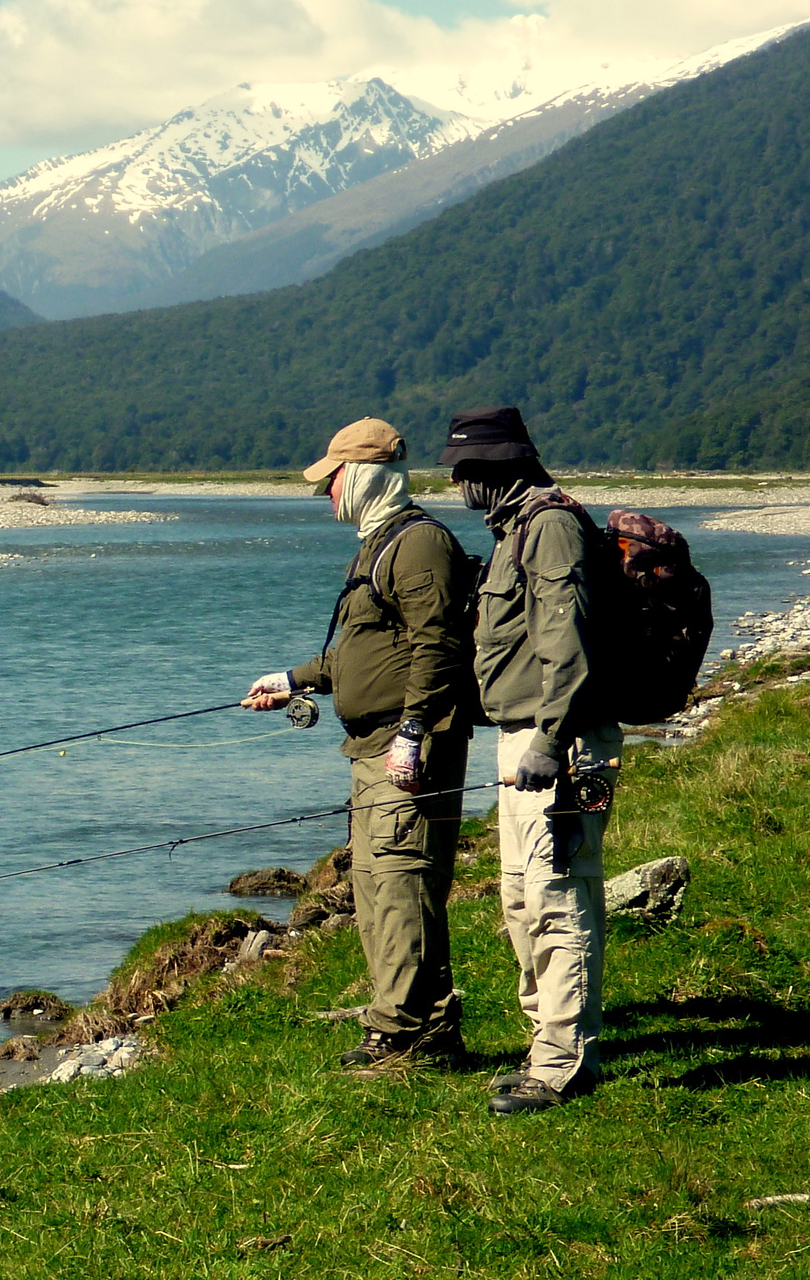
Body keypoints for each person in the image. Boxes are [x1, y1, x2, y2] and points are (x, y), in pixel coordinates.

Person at [244, 417, 478, 1071]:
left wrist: (411, 731)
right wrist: (292, 678)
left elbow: (440, 646)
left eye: (333, 478)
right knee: (375, 892)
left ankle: (403, 1035)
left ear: (367, 474)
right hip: (369, 749)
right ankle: (415, 1028)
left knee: (402, 889)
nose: (325, 492)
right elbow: (362, 652)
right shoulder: (375, 544)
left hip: (407, 751)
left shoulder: (420, 545)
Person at [436, 404, 622, 1117]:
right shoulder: (515, 528)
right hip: (522, 737)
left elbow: (564, 636)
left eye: (462, 471)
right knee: (519, 897)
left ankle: (565, 1063)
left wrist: (550, 737)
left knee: (558, 893)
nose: (457, 485)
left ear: (494, 467)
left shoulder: (548, 526)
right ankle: (544, 1044)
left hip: (563, 741)